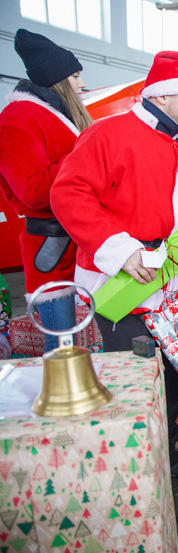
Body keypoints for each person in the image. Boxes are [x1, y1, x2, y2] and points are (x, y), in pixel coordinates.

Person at [51, 50, 178, 479]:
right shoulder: (108, 135)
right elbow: (68, 194)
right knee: (126, 383)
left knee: (177, 377)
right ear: (162, 97)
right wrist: (121, 250)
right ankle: (126, 473)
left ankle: (163, 452)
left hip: (175, 288)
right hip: (119, 287)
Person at [0, 30, 92, 352]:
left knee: (86, 342)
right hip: (52, 251)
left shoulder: (53, 115)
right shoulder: (18, 117)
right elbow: (33, 190)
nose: (82, 84)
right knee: (62, 346)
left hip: (81, 244)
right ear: (58, 79)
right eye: (76, 76)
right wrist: (87, 156)